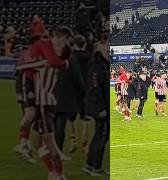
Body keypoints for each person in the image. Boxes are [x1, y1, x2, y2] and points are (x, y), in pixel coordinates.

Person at [15, 27, 73, 179]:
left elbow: (21, 67)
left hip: (43, 105)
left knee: (49, 144)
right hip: (46, 104)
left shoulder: (47, 62)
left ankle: (58, 174)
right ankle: (53, 173)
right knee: (40, 144)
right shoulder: (59, 63)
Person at [82, 36, 109, 176]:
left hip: (102, 106)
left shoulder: (102, 64)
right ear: (100, 47)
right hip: (101, 108)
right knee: (101, 137)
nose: (109, 50)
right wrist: (101, 108)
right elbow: (95, 89)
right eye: (106, 47)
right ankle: (95, 167)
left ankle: (90, 165)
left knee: (99, 136)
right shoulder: (97, 66)